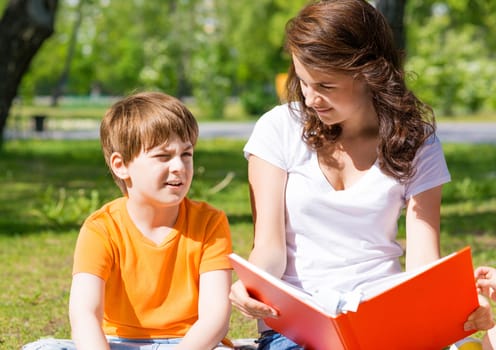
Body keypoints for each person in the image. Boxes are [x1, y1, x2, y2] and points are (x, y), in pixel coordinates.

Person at [229, 0, 493, 349]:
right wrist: (250, 285)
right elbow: (268, 248)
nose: (310, 99)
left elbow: (422, 263)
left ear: (370, 73)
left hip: (384, 318)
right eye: (303, 82)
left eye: (325, 86)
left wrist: (450, 307)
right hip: (297, 325)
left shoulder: (417, 143)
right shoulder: (278, 129)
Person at [23, 91, 233, 350]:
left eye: (186, 154)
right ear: (120, 165)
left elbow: (215, 318)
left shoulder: (210, 222)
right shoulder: (101, 228)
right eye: (163, 156)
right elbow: (84, 314)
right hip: (117, 344)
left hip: (190, 344)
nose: (179, 166)